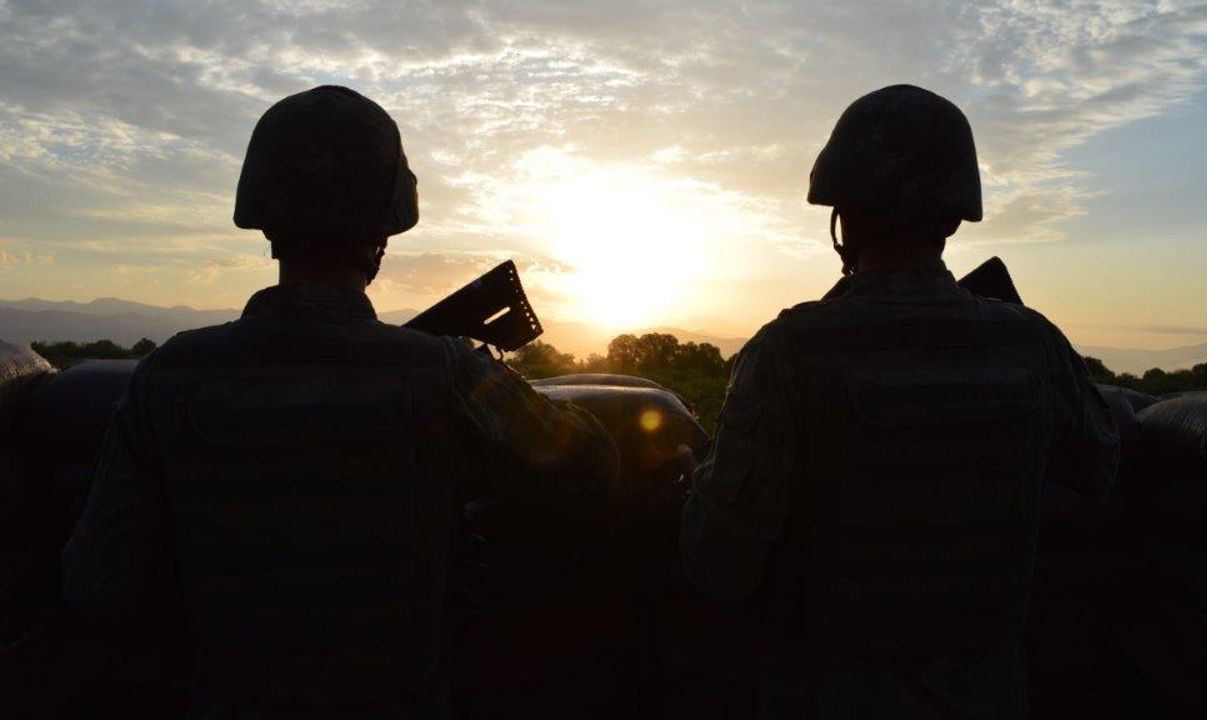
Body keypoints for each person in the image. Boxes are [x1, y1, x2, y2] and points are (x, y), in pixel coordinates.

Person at [61, 86, 619, 719]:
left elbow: (96, 587)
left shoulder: (165, 377)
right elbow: (592, 466)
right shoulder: (444, 374)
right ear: (384, 229)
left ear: (265, 221)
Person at [679, 84, 1119, 718]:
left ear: (843, 217)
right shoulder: (1033, 343)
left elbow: (718, 565)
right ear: (953, 216)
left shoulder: (789, 352)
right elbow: (1100, 466)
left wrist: (696, 485)